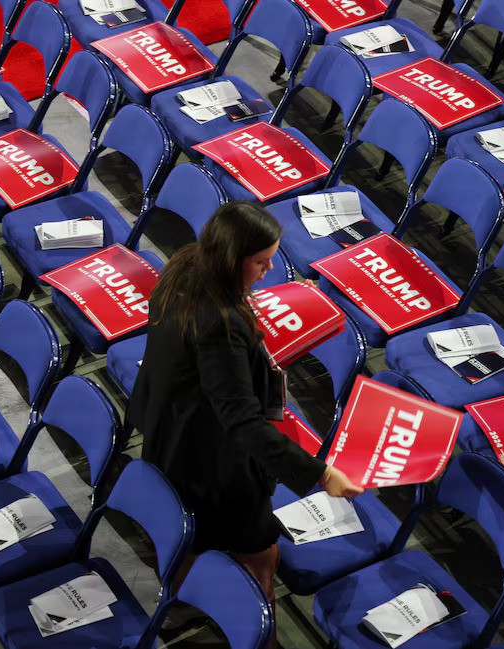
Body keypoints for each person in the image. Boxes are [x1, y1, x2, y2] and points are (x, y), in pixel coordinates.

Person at [126, 200, 364, 610]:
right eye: (260, 261)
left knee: (189, 536)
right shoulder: (219, 323)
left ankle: (180, 604)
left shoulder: (184, 267)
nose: (269, 270)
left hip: (168, 431)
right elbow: (241, 420)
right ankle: (254, 630)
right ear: (232, 259)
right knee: (259, 556)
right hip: (209, 459)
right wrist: (321, 475)